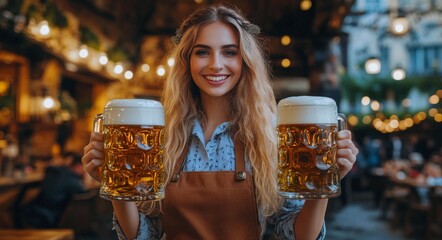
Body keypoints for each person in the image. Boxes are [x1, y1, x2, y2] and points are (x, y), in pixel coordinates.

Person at [82, 4, 358, 239]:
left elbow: (291, 234)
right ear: (186, 60)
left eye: (229, 52)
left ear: (246, 60)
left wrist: (322, 185)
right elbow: (145, 234)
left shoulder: (276, 135)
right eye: (202, 52)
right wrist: (117, 187)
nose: (215, 64)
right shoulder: (158, 136)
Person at [20, 151, 88, 228]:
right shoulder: (71, 179)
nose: (83, 171)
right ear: (79, 166)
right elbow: (83, 191)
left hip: (36, 208)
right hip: (51, 214)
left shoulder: (55, 172)